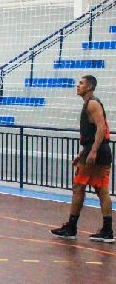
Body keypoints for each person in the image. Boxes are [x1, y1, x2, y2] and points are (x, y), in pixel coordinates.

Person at [51, 75, 113, 243]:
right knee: (101, 190)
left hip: (97, 151)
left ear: (90, 87)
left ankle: (71, 227)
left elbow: (101, 128)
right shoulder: (90, 104)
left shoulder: (92, 103)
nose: (78, 86)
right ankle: (107, 230)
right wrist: (83, 153)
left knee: (78, 187)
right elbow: (95, 131)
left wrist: (92, 151)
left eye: (81, 83)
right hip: (99, 150)